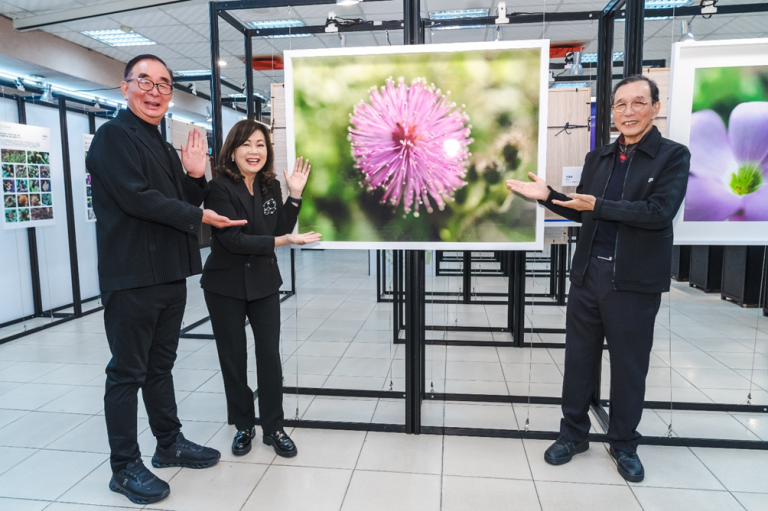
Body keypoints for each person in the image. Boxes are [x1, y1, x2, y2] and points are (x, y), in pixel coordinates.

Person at [507, 75, 690, 483]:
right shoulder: (599, 158)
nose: (628, 112)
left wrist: (599, 205)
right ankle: (573, 434)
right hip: (589, 273)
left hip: (634, 280)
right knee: (579, 360)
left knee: (629, 366)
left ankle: (624, 443)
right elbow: (584, 210)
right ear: (611, 112)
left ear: (655, 107)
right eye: (620, 104)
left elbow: (658, 212)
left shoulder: (672, 156)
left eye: (638, 103)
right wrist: (549, 196)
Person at [86, 54, 245, 505]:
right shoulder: (112, 137)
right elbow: (141, 201)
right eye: (145, 82)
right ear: (125, 88)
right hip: (132, 276)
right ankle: (123, 467)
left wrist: (196, 178)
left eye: (164, 84)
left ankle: (168, 443)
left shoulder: (157, 141)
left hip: (169, 273)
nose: (155, 92)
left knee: (160, 367)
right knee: (126, 373)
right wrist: (197, 210)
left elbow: (176, 200)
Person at [200, 119, 321, 458]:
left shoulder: (270, 185)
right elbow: (234, 240)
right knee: (233, 357)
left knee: (269, 355)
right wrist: (283, 240)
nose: (254, 151)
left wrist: (294, 195)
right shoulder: (219, 188)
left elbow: (279, 225)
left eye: (261, 145)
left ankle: (274, 426)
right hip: (225, 285)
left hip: (265, 283)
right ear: (233, 150)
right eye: (247, 144)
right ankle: (242, 425)